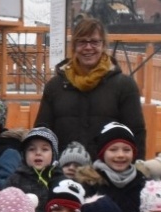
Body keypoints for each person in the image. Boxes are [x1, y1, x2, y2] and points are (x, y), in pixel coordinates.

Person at [36, 17, 145, 156]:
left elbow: (136, 131)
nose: (88, 47)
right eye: (82, 42)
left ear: (104, 45)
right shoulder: (55, 87)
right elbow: (42, 132)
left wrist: (137, 169)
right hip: (64, 170)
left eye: (94, 42)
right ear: (74, 46)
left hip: (109, 171)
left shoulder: (124, 86)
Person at [91, 121, 146, 212]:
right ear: (102, 154)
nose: (120, 155)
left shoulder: (142, 183)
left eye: (126, 150)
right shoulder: (91, 183)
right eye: (113, 150)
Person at [6, 127, 60, 198]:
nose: (38, 153)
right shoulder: (15, 180)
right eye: (31, 149)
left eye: (44, 149)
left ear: (53, 154)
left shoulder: (60, 179)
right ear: (24, 155)